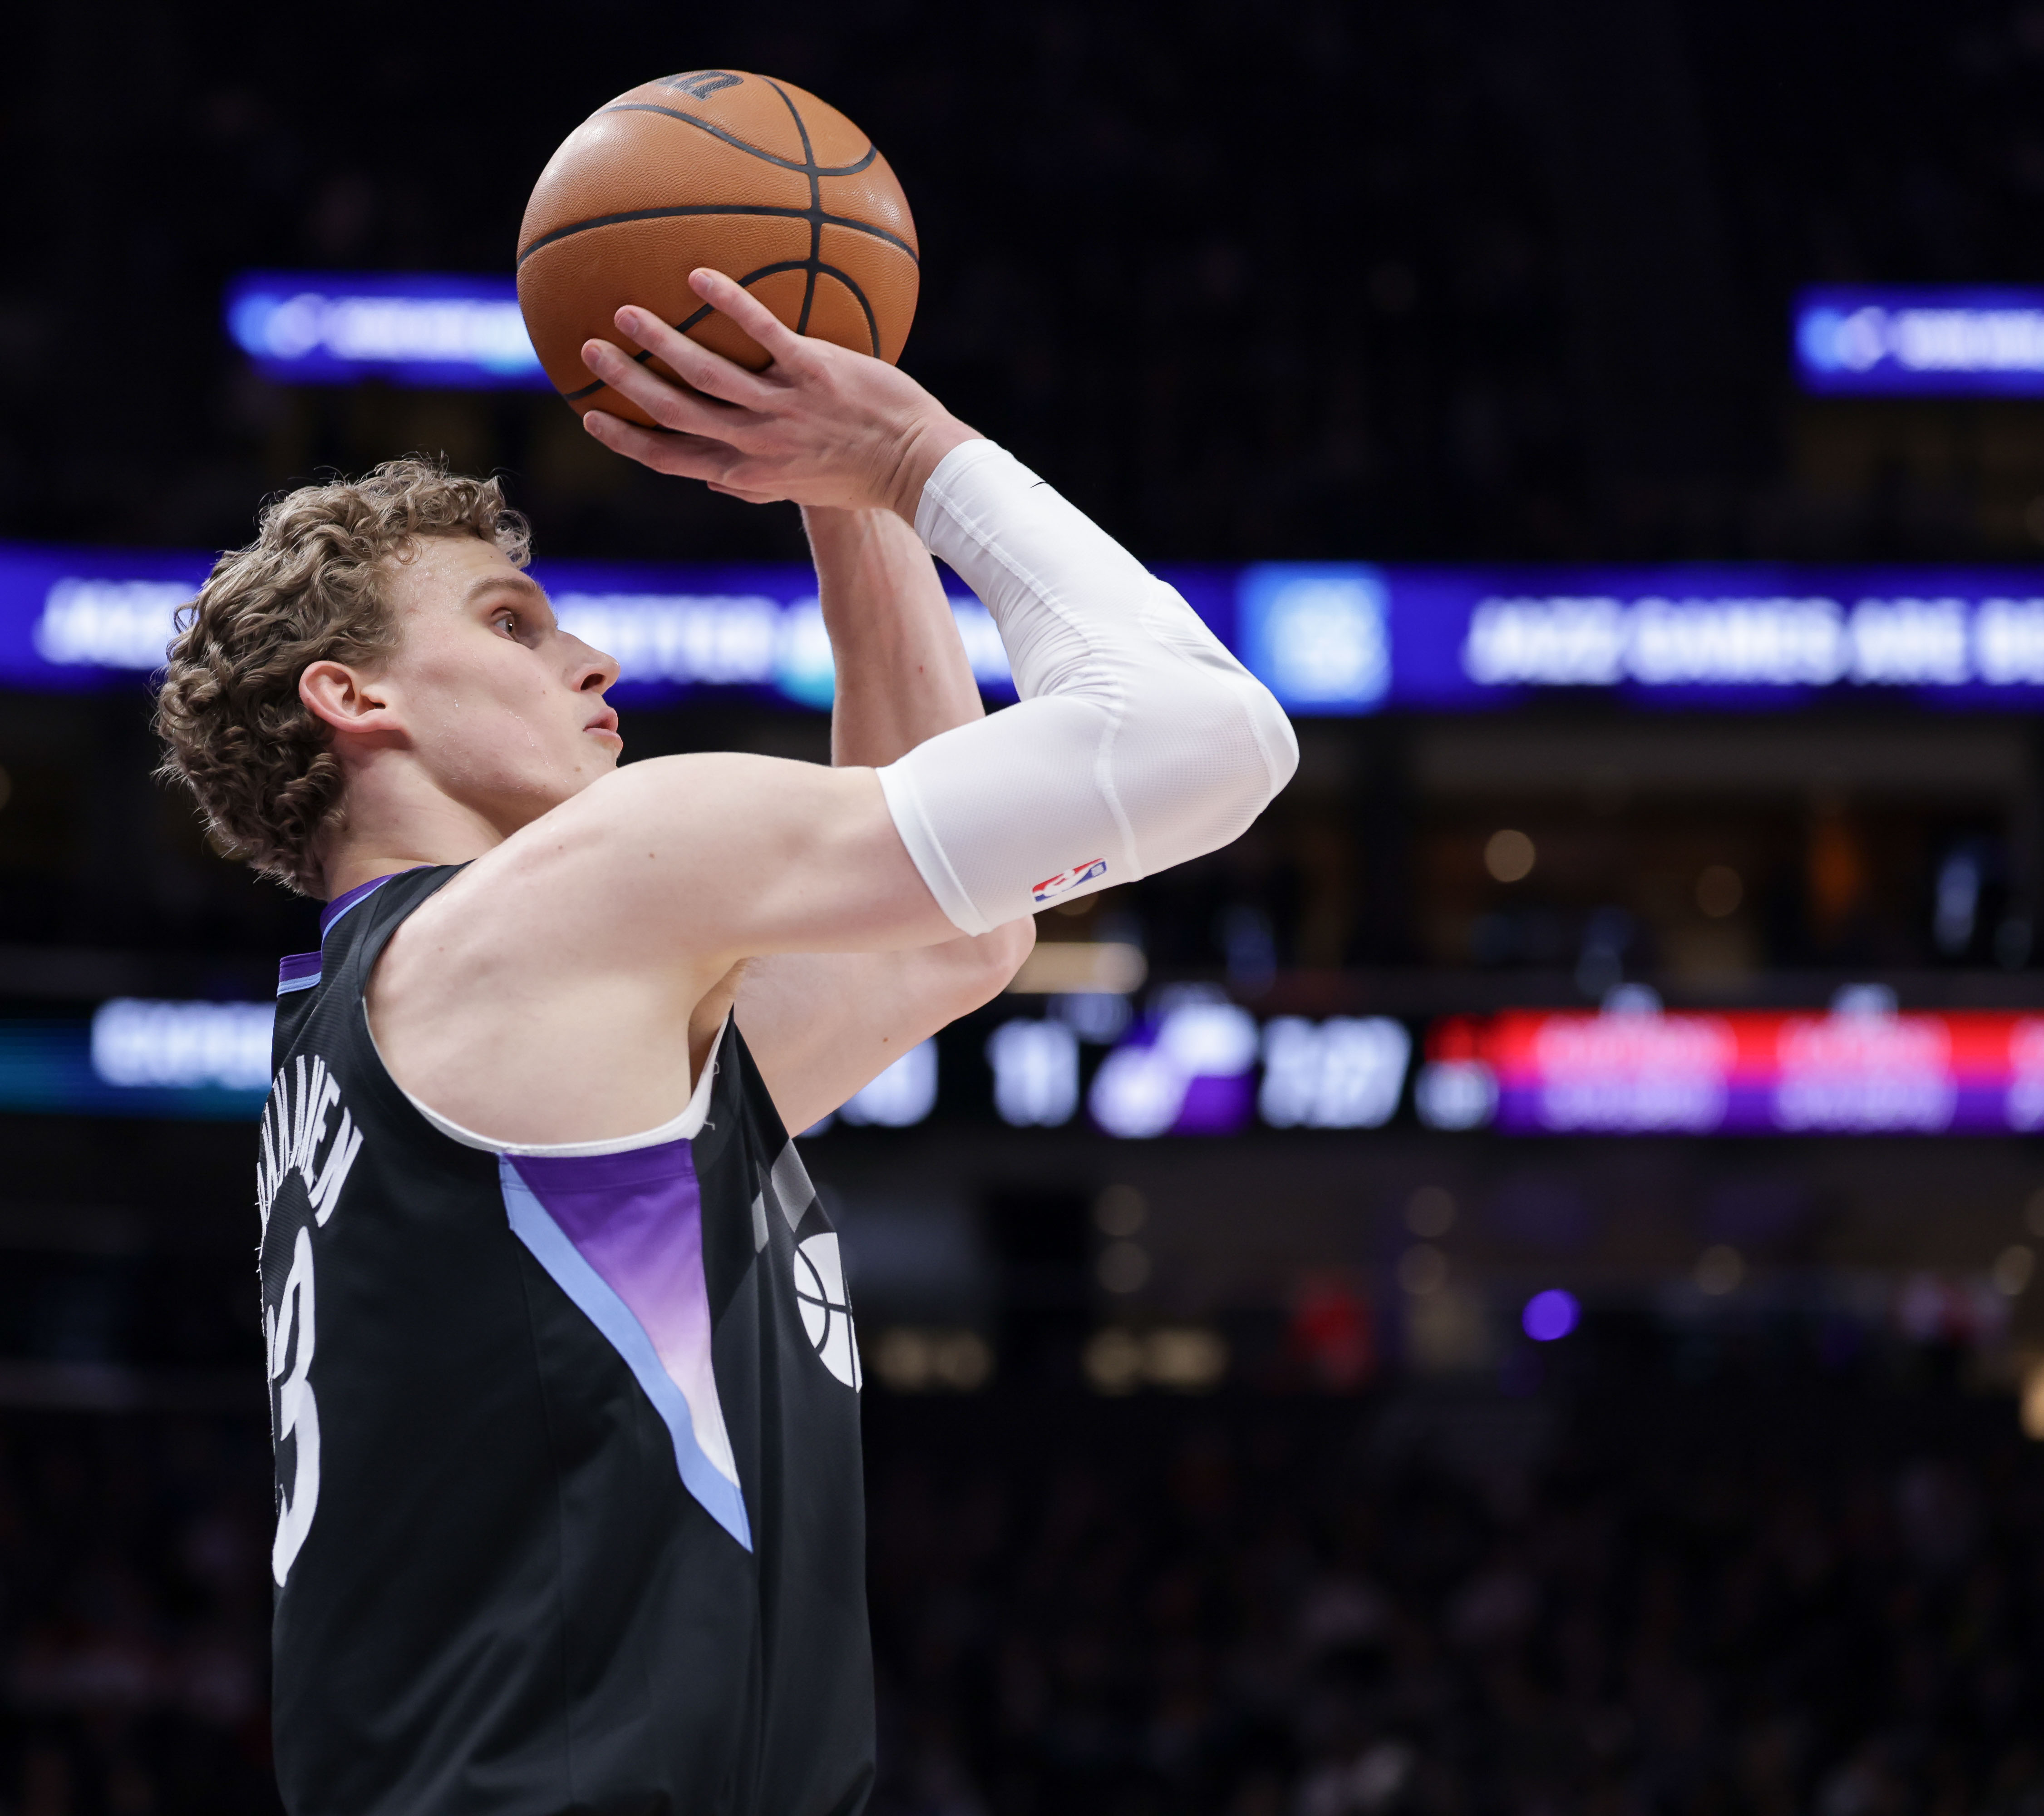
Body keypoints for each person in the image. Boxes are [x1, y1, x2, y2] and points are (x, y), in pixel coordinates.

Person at [155, 267, 1297, 1816]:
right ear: (355, 698)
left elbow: (954, 941)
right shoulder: (578, 892)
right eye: (512, 624)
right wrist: (913, 453)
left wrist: (843, 505)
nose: (592, 662)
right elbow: (1211, 740)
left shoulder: (452, 1015)